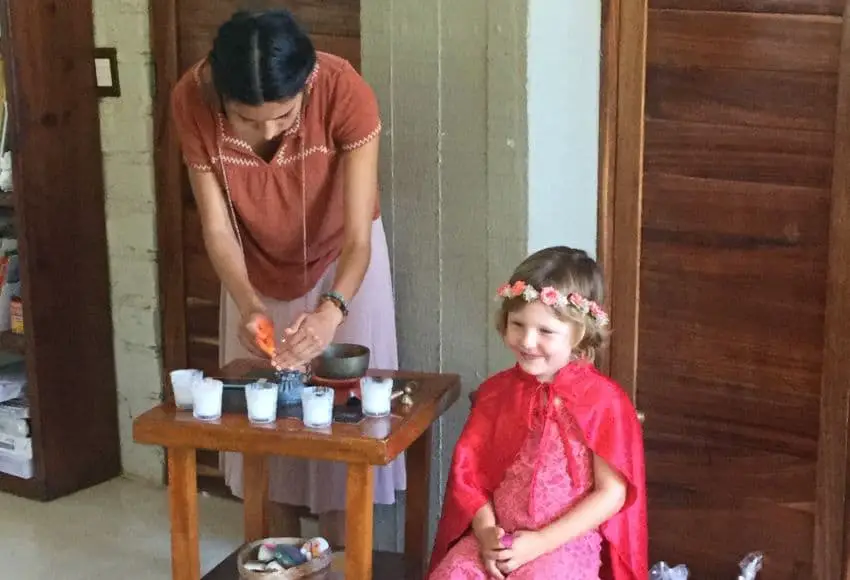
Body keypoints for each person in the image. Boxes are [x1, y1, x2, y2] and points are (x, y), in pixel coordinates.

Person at [169, 9, 405, 544]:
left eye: (283, 115)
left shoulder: (344, 90)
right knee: (265, 417)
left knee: (346, 415)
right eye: (248, 121)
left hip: (342, 262)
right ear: (219, 92)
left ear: (305, 85)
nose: (269, 131)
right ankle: (280, 560)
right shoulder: (192, 100)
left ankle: (343, 560)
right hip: (250, 268)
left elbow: (359, 237)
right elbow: (218, 229)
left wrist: (331, 311)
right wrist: (248, 304)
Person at [428, 247, 647, 579]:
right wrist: (488, 535)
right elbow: (469, 476)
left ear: (580, 332)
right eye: (518, 324)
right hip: (497, 536)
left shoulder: (603, 402)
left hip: (562, 543)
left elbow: (612, 493)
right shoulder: (495, 394)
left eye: (545, 331)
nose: (527, 341)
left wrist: (541, 542)